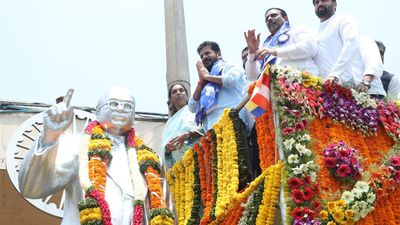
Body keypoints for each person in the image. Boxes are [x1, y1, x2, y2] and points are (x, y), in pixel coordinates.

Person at [18, 87, 171, 225]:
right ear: (98, 112)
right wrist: (50, 135)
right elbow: (32, 188)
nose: (121, 109)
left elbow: (162, 208)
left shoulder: (148, 160)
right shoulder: (77, 145)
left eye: (128, 106)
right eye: (113, 104)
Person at [188, 41, 249, 132]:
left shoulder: (229, 66)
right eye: (202, 56)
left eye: (207, 53)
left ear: (218, 54)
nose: (204, 57)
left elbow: (231, 80)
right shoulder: (206, 85)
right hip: (212, 130)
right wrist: (201, 83)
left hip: (233, 121)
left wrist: (207, 77)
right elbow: (192, 107)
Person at [244, 7, 319, 81]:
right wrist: (252, 53)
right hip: (275, 90)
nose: (269, 19)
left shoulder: (297, 30)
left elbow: (309, 48)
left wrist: (274, 52)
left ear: (285, 18)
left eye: (273, 15)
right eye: (266, 19)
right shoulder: (265, 46)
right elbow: (252, 77)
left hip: (303, 84)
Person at [312, 0, 361, 84]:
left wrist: (335, 74)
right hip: (322, 87)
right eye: (316, 2)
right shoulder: (314, 34)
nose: (320, 4)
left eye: (324, 0)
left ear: (334, 4)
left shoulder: (343, 20)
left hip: (344, 83)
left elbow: (351, 43)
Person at [162, 82, 203, 170]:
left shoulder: (195, 110)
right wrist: (167, 148)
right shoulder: (169, 123)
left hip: (200, 161)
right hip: (181, 170)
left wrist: (188, 134)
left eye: (181, 90)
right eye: (174, 92)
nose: (178, 92)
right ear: (171, 98)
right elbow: (165, 148)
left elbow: (207, 127)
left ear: (187, 96)